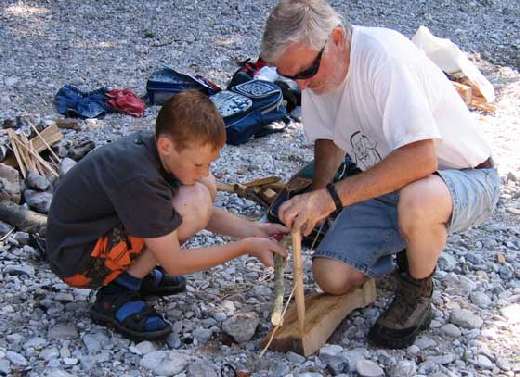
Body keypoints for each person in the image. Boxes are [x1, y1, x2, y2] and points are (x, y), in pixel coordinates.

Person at [261, 0, 500, 349]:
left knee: (418, 201)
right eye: (290, 76)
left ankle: (418, 288)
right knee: (330, 275)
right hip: (392, 183)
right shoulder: (317, 74)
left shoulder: (384, 58)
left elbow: (421, 159)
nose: (303, 86)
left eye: (306, 72)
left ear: (338, 37)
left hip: (463, 177)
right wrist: (317, 199)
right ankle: (409, 246)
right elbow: (328, 140)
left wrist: (330, 199)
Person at [47, 90, 288, 341]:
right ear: (166, 145)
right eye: (198, 164)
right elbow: (175, 262)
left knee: (203, 188)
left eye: (208, 163)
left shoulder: (160, 153)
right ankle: (117, 295)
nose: (204, 170)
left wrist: (255, 231)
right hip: (79, 262)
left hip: (94, 236)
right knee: (193, 201)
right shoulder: (140, 177)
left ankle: (137, 271)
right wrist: (245, 246)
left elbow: (204, 214)